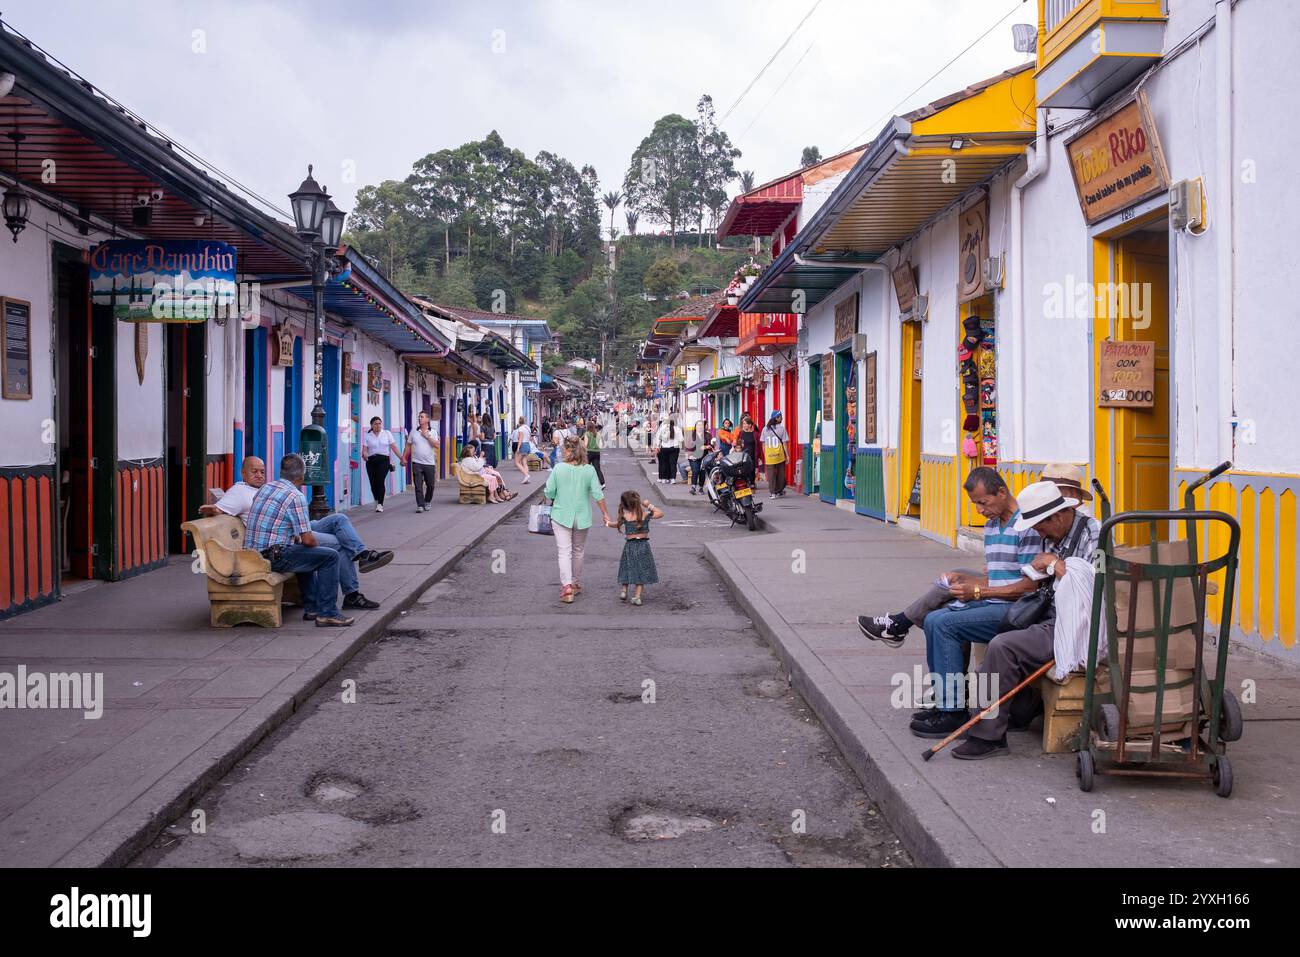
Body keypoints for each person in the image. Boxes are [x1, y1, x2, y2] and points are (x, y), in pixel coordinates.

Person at [943, 481, 1101, 759]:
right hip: (1049, 610)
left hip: (1075, 621)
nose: (1039, 533)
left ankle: (988, 736)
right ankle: (994, 718)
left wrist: (1052, 563)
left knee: (1004, 645)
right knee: (998, 633)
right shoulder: (1052, 534)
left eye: (1041, 526)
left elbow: (1093, 584)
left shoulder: (1092, 532)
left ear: (1059, 516)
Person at [858, 466, 1041, 650]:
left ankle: (899, 624)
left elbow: (1029, 587)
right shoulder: (991, 525)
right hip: (999, 595)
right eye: (975, 504)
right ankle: (905, 629)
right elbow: (997, 579)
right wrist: (963, 582)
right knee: (950, 588)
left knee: (943, 621)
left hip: (1017, 606)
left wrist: (977, 592)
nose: (979, 510)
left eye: (983, 502)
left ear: (1002, 492)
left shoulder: (1025, 527)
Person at [204, 455, 389, 611]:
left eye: (262, 471)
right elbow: (220, 508)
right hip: (284, 538)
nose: (259, 476)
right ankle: (351, 595)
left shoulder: (265, 488)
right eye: (254, 472)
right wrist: (214, 509)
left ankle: (362, 553)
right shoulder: (239, 491)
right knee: (339, 544)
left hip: (291, 528)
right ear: (243, 473)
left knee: (339, 520)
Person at [243, 453, 354, 627]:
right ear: (302, 475)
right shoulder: (296, 496)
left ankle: (312, 608)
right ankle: (328, 613)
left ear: (282, 472)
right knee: (329, 557)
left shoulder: (266, 487)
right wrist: (318, 547)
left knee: (305, 553)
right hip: (272, 556)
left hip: (251, 553)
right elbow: (308, 540)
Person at [543, 435, 613, 604]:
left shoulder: (558, 469)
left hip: (560, 515)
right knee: (578, 550)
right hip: (582, 516)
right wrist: (605, 513)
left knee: (564, 551)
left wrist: (555, 495)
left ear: (566, 450)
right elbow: (598, 493)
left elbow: (549, 492)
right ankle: (574, 583)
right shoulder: (588, 470)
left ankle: (566, 587)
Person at [608, 490, 662, 606]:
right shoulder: (645, 514)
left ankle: (624, 590)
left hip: (630, 546)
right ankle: (637, 597)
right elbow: (660, 513)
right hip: (643, 546)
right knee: (641, 571)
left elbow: (615, 524)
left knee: (626, 567)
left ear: (625, 505)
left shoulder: (625, 516)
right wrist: (648, 505)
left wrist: (607, 523)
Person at [362, 417, 401, 512]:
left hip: (383, 460)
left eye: (379, 423)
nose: (378, 425)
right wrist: (365, 455)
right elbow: (365, 450)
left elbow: (394, 447)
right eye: (375, 423)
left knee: (380, 480)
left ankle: (380, 504)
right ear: (371, 425)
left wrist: (401, 458)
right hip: (371, 461)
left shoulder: (387, 433)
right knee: (373, 483)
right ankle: (376, 499)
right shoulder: (367, 436)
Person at [405, 410, 439, 513]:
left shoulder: (433, 431)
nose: (420, 418)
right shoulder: (413, 431)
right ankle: (420, 505)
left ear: (427, 419)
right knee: (418, 485)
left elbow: (437, 445)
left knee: (431, 485)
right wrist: (404, 457)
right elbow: (408, 445)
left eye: (422, 417)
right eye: (419, 417)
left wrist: (427, 436)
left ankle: (427, 501)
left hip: (429, 463)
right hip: (417, 462)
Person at [761, 410, 790, 498]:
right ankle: (778, 490)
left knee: (771, 476)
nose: (782, 418)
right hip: (779, 455)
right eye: (780, 416)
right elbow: (784, 443)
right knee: (781, 475)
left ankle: (773, 493)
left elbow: (763, 444)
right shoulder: (782, 428)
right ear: (776, 418)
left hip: (769, 456)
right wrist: (787, 455)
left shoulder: (765, 429)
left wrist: (765, 454)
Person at [653, 414, 682, 484]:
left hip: (664, 448)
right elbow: (681, 439)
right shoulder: (678, 429)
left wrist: (657, 446)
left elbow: (658, 437)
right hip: (675, 448)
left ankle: (663, 479)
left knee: (664, 463)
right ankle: (672, 479)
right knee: (673, 464)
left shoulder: (663, 427)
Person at [687, 423, 709, 494]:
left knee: (702, 472)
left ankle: (701, 488)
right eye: (698, 425)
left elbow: (712, 445)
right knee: (695, 471)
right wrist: (690, 455)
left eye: (701, 425)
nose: (700, 427)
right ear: (695, 427)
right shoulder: (691, 436)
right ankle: (693, 488)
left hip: (704, 457)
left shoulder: (707, 435)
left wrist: (705, 447)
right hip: (693, 457)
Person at [511, 416, 533, 484]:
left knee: (517, 462)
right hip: (527, 445)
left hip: (522, 445)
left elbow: (520, 439)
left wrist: (518, 448)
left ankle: (526, 475)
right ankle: (526, 478)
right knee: (524, 462)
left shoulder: (520, 429)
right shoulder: (528, 428)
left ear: (519, 421)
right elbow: (530, 438)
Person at [585, 419, 605, 488]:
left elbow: (586, 444)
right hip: (597, 452)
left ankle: (587, 484)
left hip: (589, 452)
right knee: (597, 469)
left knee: (586, 468)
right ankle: (602, 483)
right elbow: (600, 445)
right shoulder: (597, 433)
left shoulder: (587, 434)